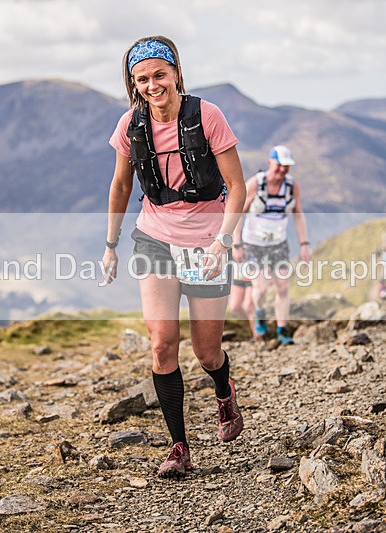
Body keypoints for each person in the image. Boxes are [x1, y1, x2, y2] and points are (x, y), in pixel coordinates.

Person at [100, 36, 246, 478]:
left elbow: (237, 187)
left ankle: (223, 388)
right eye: (141, 79)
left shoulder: (208, 116)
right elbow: (122, 186)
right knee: (162, 343)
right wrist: (110, 245)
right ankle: (178, 447)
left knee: (206, 352)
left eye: (158, 75)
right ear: (133, 83)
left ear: (176, 74)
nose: (151, 85)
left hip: (207, 242)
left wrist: (224, 240)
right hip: (154, 238)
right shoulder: (131, 124)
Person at [233, 145, 311, 345]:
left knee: (283, 286)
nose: (283, 169)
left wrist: (304, 243)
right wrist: (237, 242)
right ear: (270, 163)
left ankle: (282, 330)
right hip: (253, 244)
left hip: (278, 244)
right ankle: (259, 312)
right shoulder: (255, 184)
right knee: (259, 288)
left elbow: (298, 215)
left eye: (287, 166)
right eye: (280, 165)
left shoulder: (292, 186)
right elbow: (237, 213)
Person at [227, 262, 256, 338]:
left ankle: (257, 335)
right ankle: (249, 327)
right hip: (237, 277)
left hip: (252, 276)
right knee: (234, 306)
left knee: (248, 306)